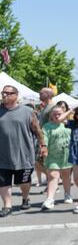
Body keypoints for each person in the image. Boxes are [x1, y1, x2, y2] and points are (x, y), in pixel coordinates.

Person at [0, 85, 47, 216]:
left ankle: (25, 198)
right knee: (3, 182)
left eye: (9, 93)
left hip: (23, 154)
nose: (5, 95)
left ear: (16, 95)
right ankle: (7, 206)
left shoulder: (27, 111)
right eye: (3, 93)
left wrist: (43, 146)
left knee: (23, 181)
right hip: (3, 155)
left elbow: (37, 130)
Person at [41, 106, 73, 209]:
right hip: (52, 156)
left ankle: (67, 194)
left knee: (66, 176)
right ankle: (50, 199)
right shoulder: (47, 126)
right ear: (51, 115)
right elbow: (44, 138)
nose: (57, 116)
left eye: (59, 113)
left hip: (66, 155)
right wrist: (44, 148)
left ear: (64, 113)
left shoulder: (69, 124)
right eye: (54, 114)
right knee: (53, 176)